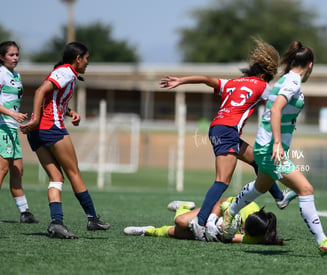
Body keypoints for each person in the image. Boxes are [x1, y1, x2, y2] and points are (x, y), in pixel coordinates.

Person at [160, 38, 296, 241]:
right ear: (262, 75)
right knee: (222, 181)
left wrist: (181, 80)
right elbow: (278, 105)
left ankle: (279, 197)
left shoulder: (232, 83)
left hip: (219, 128)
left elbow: (206, 79)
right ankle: (200, 221)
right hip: (227, 131)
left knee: (259, 161)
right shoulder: (261, 86)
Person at [220, 41, 327, 256]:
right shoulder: (293, 81)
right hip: (270, 149)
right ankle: (322, 240)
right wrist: (277, 143)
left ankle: (230, 212)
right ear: (310, 65)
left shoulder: (287, 79)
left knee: (260, 187)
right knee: (306, 189)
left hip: (265, 147)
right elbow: (276, 109)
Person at [20, 42, 110, 239]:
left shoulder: (66, 73)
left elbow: (52, 99)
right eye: (86, 59)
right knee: (73, 172)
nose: (87, 63)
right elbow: (40, 91)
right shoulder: (66, 71)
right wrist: (35, 119)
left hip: (38, 132)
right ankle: (92, 218)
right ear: (78, 58)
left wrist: (69, 112)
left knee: (56, 178)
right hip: (50, 127)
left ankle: (56, 223)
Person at [124, 199, 285, 246]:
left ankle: (148, 231)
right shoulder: (246, 205)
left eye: (245, 232)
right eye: (243, 228)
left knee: (176, 232)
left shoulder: (256, 237)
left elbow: (229, 239)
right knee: (180, 221)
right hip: (215, 215)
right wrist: (212, 220)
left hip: (213, 232)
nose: (242, 232)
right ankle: (184, 206)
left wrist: (215, 232)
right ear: (247, 218)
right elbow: (221, 202)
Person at [0, 41, 39, 223]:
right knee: (2, 170)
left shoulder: (16, 75)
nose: (15, 57)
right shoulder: (0, 73)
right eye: (11, 55)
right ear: (1, 57)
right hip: (2, 127)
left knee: (18, 170)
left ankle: (24, 212)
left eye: (17, 54)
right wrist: (12, 114)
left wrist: (20, 118)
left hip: (12, 128)